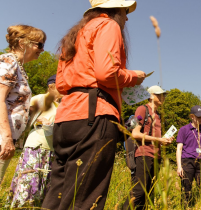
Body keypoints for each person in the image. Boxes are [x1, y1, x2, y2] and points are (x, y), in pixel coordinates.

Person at [42, 0, 147, 209]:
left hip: (65, 117)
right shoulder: (109, 26)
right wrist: (134, 77)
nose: (127, 17)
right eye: (126, 11)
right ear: (115, 9)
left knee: (58, 194)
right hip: (95, 115)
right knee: (85, 198)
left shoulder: (76, 33)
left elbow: (61, 84)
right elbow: (106, 73)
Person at [6, 75, 62, 208]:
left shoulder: (61, 105)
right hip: (36, 146)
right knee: (29, 182)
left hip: (51, 149)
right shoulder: (40, 99)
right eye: (61, 85)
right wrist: (39, 120)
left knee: (44, 185)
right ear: (51, 86)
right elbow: (25, 119)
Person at [0, 25, 46, 182]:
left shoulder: (18, 67)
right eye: (39, 44)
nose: (42, 49)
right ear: (22, 43)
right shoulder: (9, 62)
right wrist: (6, 137)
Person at [123, 85, 174, 210]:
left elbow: (155, 138)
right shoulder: (142, 109)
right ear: (151, 96)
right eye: (159, 94)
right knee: (138, 192)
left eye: (164, 95)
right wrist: (158, 139)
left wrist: (164, 141)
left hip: (156, 156)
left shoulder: (158, 116)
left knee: (149, 194)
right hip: (143, 154)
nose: (163, 97)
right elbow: (135, 133)